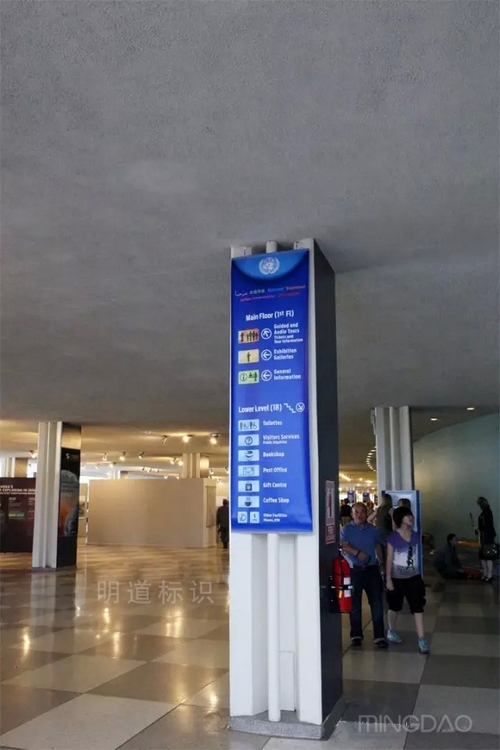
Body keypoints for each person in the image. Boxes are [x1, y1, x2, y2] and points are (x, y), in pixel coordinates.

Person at [340, 502, 388, 649]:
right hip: (354, 570)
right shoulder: (346, 530)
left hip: (372, 569)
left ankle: (379, 636)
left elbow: (378, 545)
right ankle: (356, 635)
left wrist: (382, 564)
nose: (359, 515)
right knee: (355, 604)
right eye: (356, 512)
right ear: (352, 514)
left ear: (367, 513)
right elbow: (343, 545)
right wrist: (357, 553)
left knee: (377, 603)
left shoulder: (373, 530)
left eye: (362, 512)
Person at [386, 506, 429, 654]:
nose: (410, 518)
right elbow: (389, 558)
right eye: (406, 516)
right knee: (394, 607)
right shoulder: (393, 537)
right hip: (397, 578)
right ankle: (391, 630)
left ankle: (422, 638)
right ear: (400, 519)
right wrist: (388, 579)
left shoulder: (415, 536)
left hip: (413, 577)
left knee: (418, 607)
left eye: (410, 515)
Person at [477, 496, 496, 582]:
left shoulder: (486, 513)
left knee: (487, 556)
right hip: (485, 537)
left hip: (487, 538)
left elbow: (486, 526)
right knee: (485, 556)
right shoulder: (486, 513)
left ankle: (488, 575)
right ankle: (486, 574)